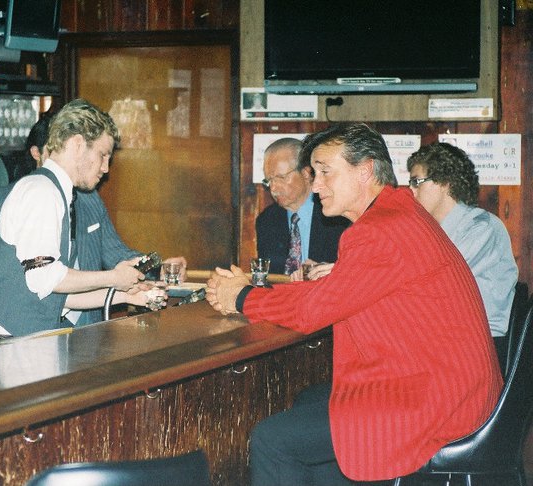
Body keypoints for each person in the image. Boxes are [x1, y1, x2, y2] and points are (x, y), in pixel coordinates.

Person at [205, 123, 502, 485]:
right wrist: (251, 291)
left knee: (272, 440)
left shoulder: (378, 230)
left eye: (325, 172)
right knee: (309, 403)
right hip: (454, 387)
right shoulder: (398, 214)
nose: (314, 186)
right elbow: (332, 294)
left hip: (436, 401)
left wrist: (240, 296)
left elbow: (312, 311)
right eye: (314, 174)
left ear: (365, 172)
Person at [0, 99, 184, 345]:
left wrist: (125, 296)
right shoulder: (42, 192)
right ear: (78, 144)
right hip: (3, 342)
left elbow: (57, 295)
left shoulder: (57, 193)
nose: (106, 168)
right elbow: (47, 277)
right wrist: (113, 278)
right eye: (102, 155)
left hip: (20, 341)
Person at [407, 141, 518, 364]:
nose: (410, 190)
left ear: (446, 182)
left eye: (416, 182)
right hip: (443, 344)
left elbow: (433, 280)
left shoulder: (482, 227)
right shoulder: (430, 232)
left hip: (479, 350)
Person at [256, 137, 348, 277]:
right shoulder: (267, 220)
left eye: (281, 177)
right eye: (269, 180)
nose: (273, 188)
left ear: (305, 173)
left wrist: (329, 272)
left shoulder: (337, 215)